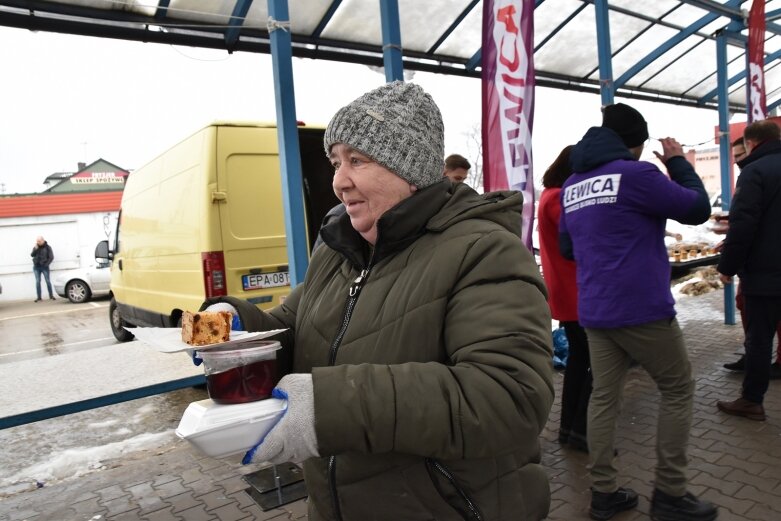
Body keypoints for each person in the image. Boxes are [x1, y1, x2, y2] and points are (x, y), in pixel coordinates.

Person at [202, 81, 555, 520]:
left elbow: (508, 397)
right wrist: (234, 322)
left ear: (410, 169)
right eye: (336, 162)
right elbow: (294, 324)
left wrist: (326, 408)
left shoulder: (483, 251)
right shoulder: (338, 249)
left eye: (357, 160)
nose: (338, 181)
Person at [559, 103, 717, 521]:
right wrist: (679, 162)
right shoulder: (637, 174)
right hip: (642, 308)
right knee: (678, 388)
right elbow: (697, 208)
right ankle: (670, 493)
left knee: (604, 398)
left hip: (595, 310)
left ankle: (604, 493)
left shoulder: (574, 183)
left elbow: (568, 248)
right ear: (636, 143)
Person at [716, 120, 781, 422]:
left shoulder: (755, 171)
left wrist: (727, 266)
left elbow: (744, 225)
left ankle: (751, 400)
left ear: (752, 143)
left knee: (759, 339)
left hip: (766, 273)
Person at [537, 144, 592, 453]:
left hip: (567, 290)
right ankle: (581, 431)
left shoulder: (549, 195)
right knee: (594, 364)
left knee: (579, 362)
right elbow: (580, 235)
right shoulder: (558, 198)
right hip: (576, 291)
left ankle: (569, 430)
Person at [31, 236, 55, 302]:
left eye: (39, 241)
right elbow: (32, 255)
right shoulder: (36, 247)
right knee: (38, 281)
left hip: (44, 267)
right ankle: (39, 297)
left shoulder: (48, 247)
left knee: (48, 281)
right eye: (37, 241)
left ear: (42, 240)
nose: (37, 242)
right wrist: (35, 249)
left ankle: (51, 295)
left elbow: (51, 257)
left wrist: (46, 264)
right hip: (36, 267)